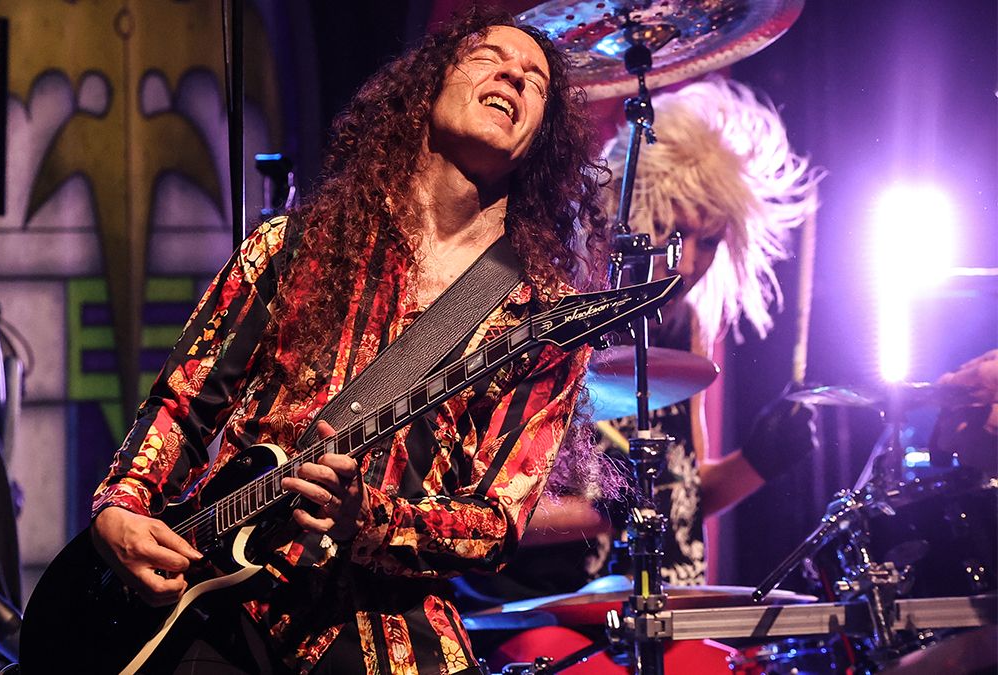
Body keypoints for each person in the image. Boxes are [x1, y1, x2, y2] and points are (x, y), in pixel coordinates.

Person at [88, 9, 608, 674]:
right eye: (488, 56)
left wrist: (370, 518)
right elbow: (180, 407)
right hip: (216, 601)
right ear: (427, 88)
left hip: (386, 612)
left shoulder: (540, 319)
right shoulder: (291, 249)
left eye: (536, 80)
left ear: (540, 142)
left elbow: (498, 520)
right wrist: (121, 504)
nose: (513, 71)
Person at [464, 77, 823, 613]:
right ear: (625, 218)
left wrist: (757, 462)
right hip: (537, 611)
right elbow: (470, 508)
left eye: (711, 242)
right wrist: (602, 510)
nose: (687, 263)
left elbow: (679, 499)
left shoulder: (682, 327)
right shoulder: (546, 311)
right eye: (674, 232)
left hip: (651, 606)